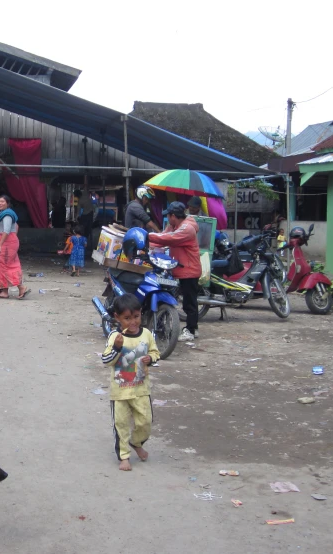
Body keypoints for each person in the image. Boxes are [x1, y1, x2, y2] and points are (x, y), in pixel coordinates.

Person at [102, 293, 159, 471]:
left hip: (141, 389)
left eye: (136, 316)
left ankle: (136, 442)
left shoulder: (147, 334)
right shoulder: (115, 337)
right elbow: (106, 360)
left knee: (145, 422)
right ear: (117, 318)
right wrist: (117, 348)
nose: (133, 322)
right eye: (127, 318)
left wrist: (151, 358)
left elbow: (156, 353)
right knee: (121, 425)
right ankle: (124, 456)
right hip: (120, 392)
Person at [149, 201, 201, 341]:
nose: (168, 219)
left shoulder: (186, 228)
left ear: (173, 215)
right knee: (187, 301)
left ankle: (191, 330)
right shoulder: (174, 226)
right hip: (181, 269)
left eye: (169, 216)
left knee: (189, 303)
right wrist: (145, 243)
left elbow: (169, 238)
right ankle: (192, 329)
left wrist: (147, 236)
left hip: (189, 270)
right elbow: (162, 239)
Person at [0, 195, 30, 299]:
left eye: (2, 202)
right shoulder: (4, 214)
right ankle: (4, 291)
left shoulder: (7, 215)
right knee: (5, 265)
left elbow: (7, 230)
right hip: (8, 242)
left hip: (6, 243)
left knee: (6, 266)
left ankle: (21, 287)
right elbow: (16, 226)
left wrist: (0, 244)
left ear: (7, 203)